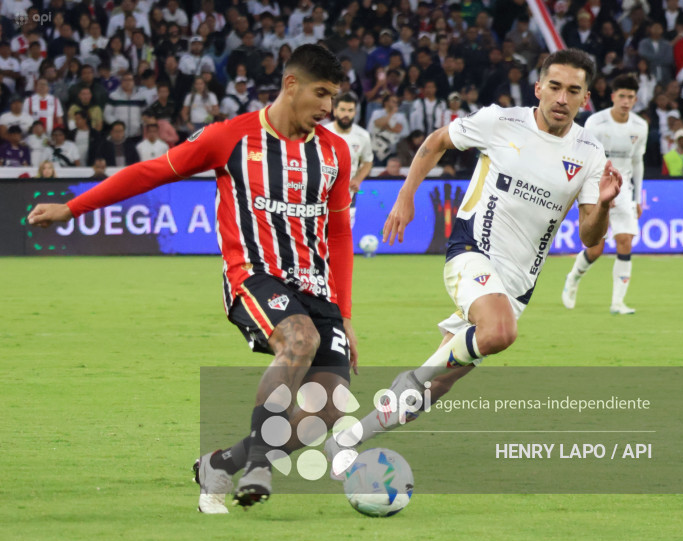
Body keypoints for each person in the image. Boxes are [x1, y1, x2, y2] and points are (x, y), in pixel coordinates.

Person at [27, 44, 355, 515]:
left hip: (317, 288)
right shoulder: (232, 137)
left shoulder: (336, 153)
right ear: (291, 85)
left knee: (326, 408)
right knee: (297, 340)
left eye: (334, 97)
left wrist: (344, 314)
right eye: (321, 94)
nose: (328, 108)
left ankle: (220, 464)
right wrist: (72, 206)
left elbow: (340, 233)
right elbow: (153, 171)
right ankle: (259, 465)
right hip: (255, 277)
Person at [324, 48, 622, 477]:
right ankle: (411, 377)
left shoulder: (591, 154)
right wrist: (406, 195)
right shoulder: (501, 121)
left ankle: (345, 441)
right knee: (499, 332)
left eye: (573, 91)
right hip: (471, 253)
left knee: (435, 388)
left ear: (585, 99)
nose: (561, 97)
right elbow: (436, 142)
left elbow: (590, 236)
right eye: (554, 87)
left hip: (517, 285)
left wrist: (606, 206)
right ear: (538, 88)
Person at [562, 75, 647, 315]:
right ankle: (573, 278)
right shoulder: (595, 123)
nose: (625, 101)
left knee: (625, 241)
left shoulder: (640, 126)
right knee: (596, 249)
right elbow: (581, 157)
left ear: (635, 99)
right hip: (596, 187)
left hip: (623, 189)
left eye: (630, 97)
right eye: (621, 96)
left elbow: (637, 162)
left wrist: (638, 198)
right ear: (613, 97)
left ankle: (617, 303)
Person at [323, 92, 374, 228]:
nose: (346, 114)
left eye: (350, 110)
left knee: (343, 233)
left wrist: (358, 179)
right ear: (334, 111)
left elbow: (368, 161)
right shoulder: (323, 133)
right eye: (343, 110)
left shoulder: (362, 136)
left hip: (348, 195)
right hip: (323, 192)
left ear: (355, 112)